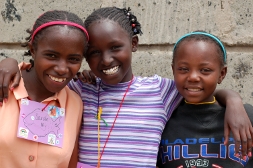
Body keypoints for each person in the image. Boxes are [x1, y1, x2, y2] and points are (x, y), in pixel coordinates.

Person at [0, 7, 252, 168]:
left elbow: (197, 86)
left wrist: (234, 101)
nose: (106, 60)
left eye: (115, 48)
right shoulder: (79, 89)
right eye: (95, 53)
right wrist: (13, 63)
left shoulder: (160, 90)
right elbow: (42, 78)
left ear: (134, 44)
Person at [0, 10, 89, 168]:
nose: (62, 69)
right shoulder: (3, 86)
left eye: (73, 59)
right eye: (52, 56)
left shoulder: (75, 104)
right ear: (33, 50)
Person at [156, 32, 253, 168]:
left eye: (205, 70)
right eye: (184, 69)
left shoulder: (245, 117)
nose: (193, 77)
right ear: (173, 70)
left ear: (222, 74)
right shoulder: (162, 118)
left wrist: (234, 101)